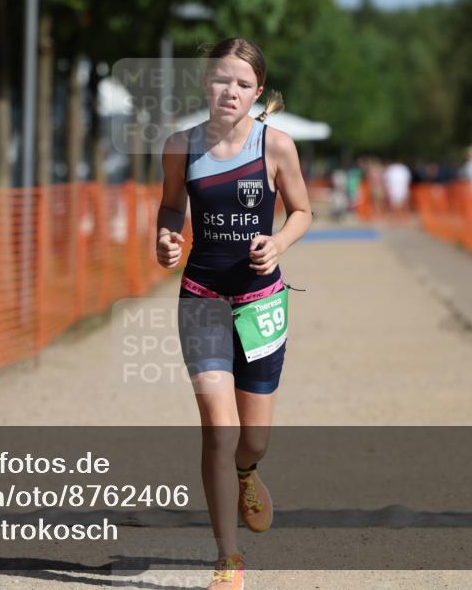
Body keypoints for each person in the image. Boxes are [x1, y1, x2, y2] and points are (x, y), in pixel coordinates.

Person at [155, 37, 312, 589]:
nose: (231, 90)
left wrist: (279, 244)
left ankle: (249, 473)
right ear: (206, 82)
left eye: (244, 83)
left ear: (257, 92)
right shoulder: (180, 145)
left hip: (262, 301)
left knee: (253, 439)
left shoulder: (277, 146)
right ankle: (228, 557)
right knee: (219, 431)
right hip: (202, 296)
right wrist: (167, 237)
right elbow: (173, 204)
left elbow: (302, 210)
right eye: (222, 79)